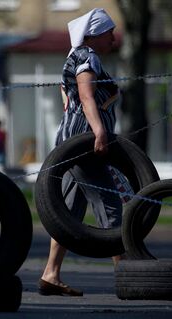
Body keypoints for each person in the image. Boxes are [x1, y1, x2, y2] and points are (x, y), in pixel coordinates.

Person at [38, 8, 122, 297]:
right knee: (109, 206)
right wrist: (98, 131)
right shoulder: (88, 57)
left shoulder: (75, 57)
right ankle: (128, 276)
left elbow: (67, 94)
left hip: (70, 142)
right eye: (109, 33)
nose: (113, 38)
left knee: (67, 212)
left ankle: (51, 273)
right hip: (83, 144)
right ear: (94, 35)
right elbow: (85, 95)